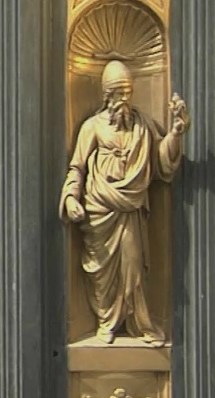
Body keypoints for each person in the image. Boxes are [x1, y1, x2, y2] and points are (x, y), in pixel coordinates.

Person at [60, 60, 189, 345]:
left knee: (133, 270)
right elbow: (77, 167)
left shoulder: (142, 126)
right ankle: (106, 321)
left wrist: (176, 133)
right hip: (99, 209)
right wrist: (70, 198)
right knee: (101, 273)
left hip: (130, 209)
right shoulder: (92, 127)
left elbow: (162, 161)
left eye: (128, 92)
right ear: (107, 95)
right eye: (118, 93)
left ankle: (140, 324)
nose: (124, 100)